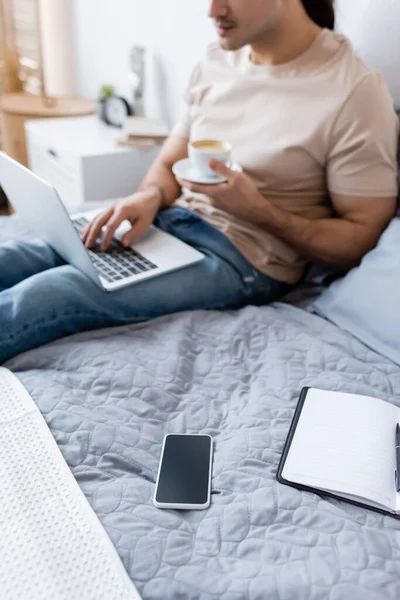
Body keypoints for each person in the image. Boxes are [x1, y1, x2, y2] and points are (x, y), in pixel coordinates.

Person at [1, 0, 398, 364]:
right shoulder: (216, 60)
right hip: (168, 224)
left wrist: (259, 211)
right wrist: (149, 197)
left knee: (50, 293)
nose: (212, 10)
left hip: (241, 259)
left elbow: (360, 237)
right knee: (22, 255)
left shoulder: (353, 90)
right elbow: (171, 161)